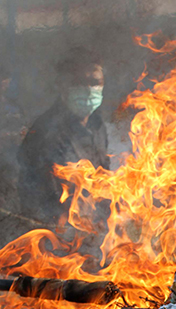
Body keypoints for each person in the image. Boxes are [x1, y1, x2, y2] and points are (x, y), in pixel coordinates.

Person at [17, 47, 109, 227]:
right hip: (55, 230)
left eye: (94, 82)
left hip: (90, 224)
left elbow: (102, 173)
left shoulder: (97, 126)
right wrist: (58, 221)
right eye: (79, 82)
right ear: (62, 86)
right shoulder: (46, 131)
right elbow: (35, 190)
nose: (89, 89)